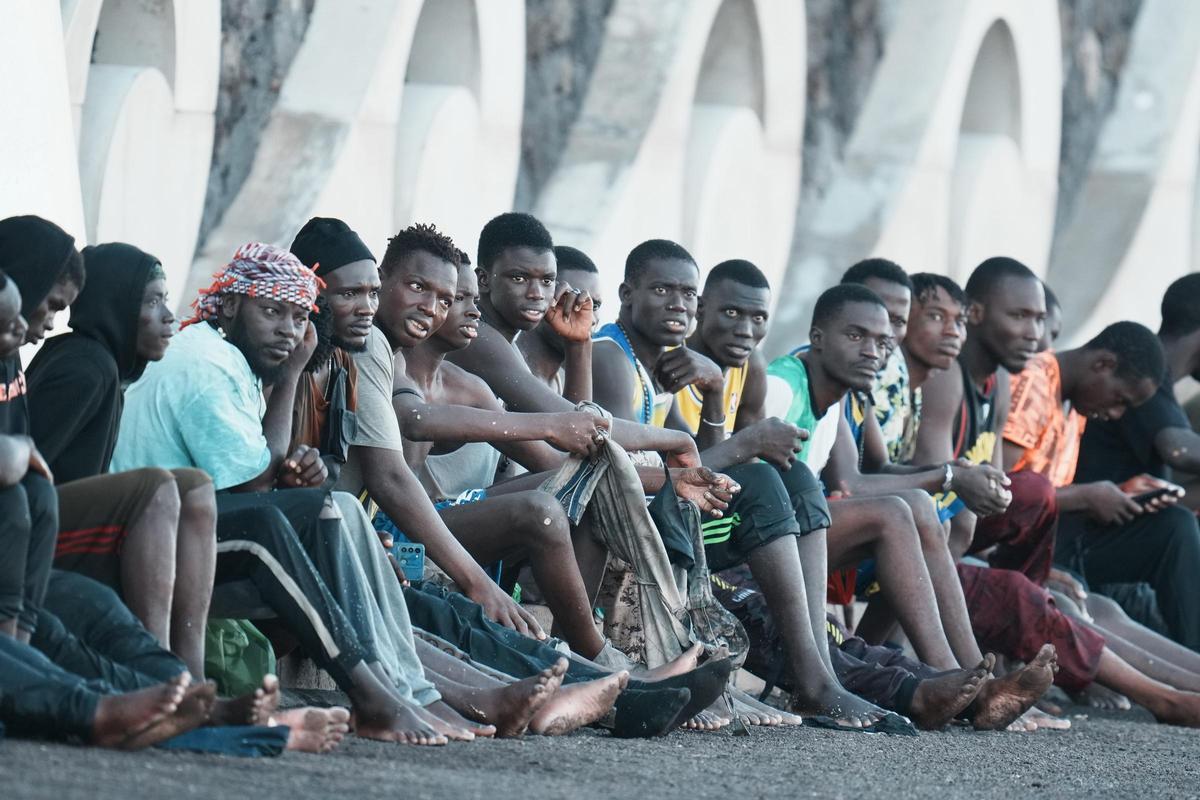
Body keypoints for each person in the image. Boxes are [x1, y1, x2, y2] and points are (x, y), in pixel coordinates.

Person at [110, 241, 466, 744]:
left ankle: (410, 692)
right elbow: (257, 483)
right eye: (271, 312)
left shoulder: (233, 360)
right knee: (293, 524)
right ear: (229, 306)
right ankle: (378, 696)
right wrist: (295, 373)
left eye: (300, 318)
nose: (288, 331)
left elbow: (260, 473)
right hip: (147, 542)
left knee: (341, 510)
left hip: (189, 527)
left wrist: (301, 473)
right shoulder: (207, 363)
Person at [588, 241, 895, 728]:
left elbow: (700, 465)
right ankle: (816, 681)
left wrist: (715, 395)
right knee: (763, 476)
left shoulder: (656, 363)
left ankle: (820, 670)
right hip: (613, 527)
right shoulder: (610, 357)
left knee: (792, 476)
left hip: (662, 516)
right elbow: (619, 475)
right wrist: (746, 440)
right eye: (663, 290)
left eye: (687, 294)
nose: (678, 304)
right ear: (627, 294)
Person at [25, 242, 218, 679]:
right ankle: (158, 669)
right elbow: (28, 469)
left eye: (165, 301)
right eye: (151, 302)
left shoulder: (104, 366)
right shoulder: (86, 367)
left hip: (58, 523)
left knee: (195, 486)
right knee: (154, 488)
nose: (169, 317)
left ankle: (191, 670)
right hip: (32, 534)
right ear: (115, 305)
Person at [1061, 273, 1200, 651]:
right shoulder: (1140, 378)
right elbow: (1178, 449)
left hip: (1099, 545)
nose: (1119, 410)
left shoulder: (1145, 378)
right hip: (1077, 549)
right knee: (1175, 529)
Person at [913, 257, 1058, 584]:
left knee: (1033, 498)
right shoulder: (946, 375)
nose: (1034, 334)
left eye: (1040, 320)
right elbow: (938, 487)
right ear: (976, 314)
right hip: (926, 539)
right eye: (1019, 316)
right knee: (1034, 491)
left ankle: (1031, 584)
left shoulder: (1001, 381)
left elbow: (995, 493)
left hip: (962, 533)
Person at [0, 232, 58, 642]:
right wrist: (23, 448)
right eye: (7, 325)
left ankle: (23, 635)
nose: (21, 327)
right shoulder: (87, 370)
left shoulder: (9, 355)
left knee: (38, 495)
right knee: (16, 501)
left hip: (28, 529)